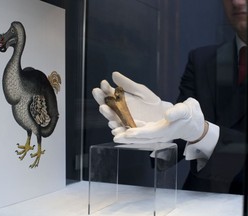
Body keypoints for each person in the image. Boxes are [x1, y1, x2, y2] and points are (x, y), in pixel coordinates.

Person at [92, 0, 247, 194]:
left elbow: (195, 129)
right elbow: (183, 128)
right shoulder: (202, 60)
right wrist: (161, 125)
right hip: (196, 199)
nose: (237, 2)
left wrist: (204, 134)